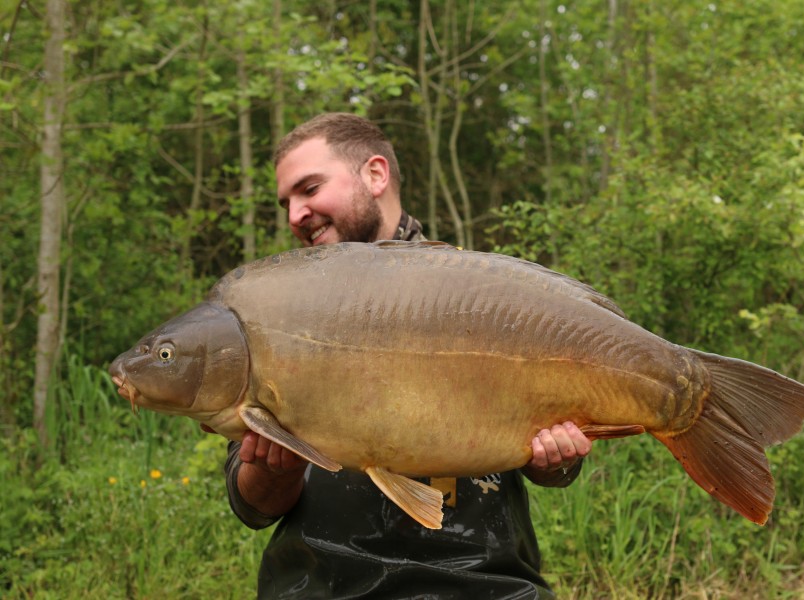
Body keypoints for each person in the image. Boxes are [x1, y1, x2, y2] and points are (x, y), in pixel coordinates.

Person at [222, 112, 593, 598]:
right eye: (286, 202)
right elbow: (252, 506)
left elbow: (557, 464)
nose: (294, 214)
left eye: (309, 189)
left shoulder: (483, 291)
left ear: (375, 175)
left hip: (483, 582)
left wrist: (556, 460)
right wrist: (273, 469)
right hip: (323, 585)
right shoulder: (275, 309)